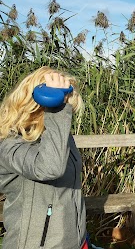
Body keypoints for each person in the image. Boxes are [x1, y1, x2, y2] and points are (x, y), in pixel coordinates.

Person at [0, 66, 87, 248]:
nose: (67, 116)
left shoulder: (57, 134)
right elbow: (49, 168)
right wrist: (57, 111)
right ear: (40, 106)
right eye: (63, 107)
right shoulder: (9, 145)